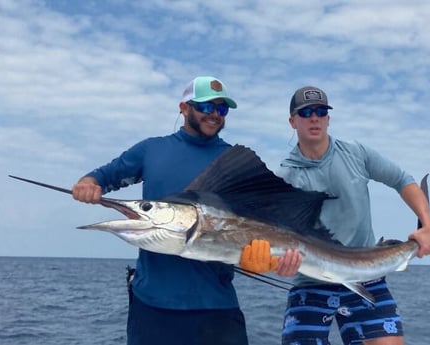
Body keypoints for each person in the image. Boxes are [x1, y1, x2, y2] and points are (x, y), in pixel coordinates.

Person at [71, 76, 296, 345]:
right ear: (184, 107)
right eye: (205, 107)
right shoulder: (151, 149)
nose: (214, 114)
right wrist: (88, 183)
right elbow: (103, 177)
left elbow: (261, 224)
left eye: (221, 109)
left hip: (217, 308)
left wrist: (262, 260)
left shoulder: (234, 162)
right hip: (152, 306)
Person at [276, 86, 430, 345]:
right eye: (306, 112)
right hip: (311, 280)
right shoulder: (285, 178)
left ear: (328, 118)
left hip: (366, 273)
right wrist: (279, 264)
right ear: (292, 121)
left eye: (320, 111)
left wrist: (428, 227)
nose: (314, 118)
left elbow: (402, 180)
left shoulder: (356, 153)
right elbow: (281, 237)